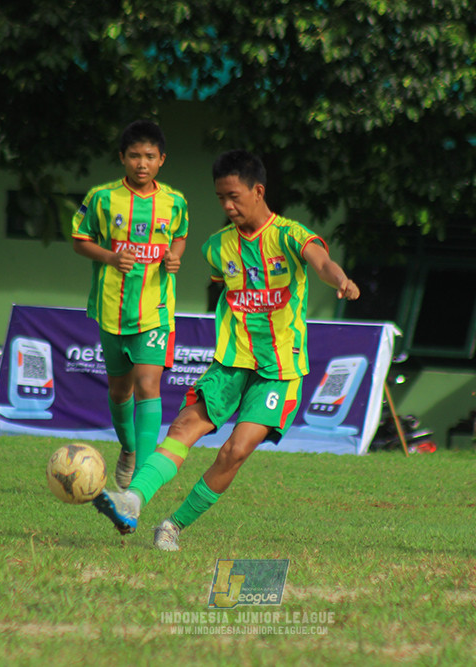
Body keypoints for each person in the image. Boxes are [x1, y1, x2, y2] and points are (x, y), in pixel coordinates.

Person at [92, 149, 360, 550]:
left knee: (235, 451)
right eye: (220, 198)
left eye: (234, 196)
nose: (227, 205)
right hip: (231, 362)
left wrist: (339, 279)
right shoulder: (216, 248)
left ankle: (173, 526)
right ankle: (131, 499)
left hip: (280, 371)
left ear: (258, 190)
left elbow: (320, 261)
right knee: (183, 427)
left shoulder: (290, 235)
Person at [71, 120, 189, 490]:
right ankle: (129, 447)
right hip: (111, 310)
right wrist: (108, 257)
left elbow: (180, 236)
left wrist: (174, 257)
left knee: (147, 385)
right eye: (135, 155)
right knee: (119, 391)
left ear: (161, 160)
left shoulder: (175, 201)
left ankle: (139, 481)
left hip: (155, 311)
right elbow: (79, 239)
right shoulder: (102, 198)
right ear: (122, 158)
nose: (142, 163)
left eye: (149, 156)